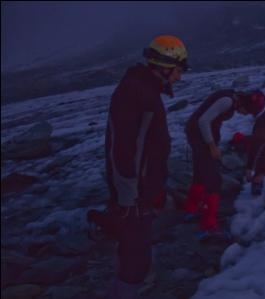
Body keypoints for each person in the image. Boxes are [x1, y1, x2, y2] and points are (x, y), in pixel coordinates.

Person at [89, 35, 188, 298]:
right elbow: (121, 147)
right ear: (165, 67)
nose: (179, 78)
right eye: (178, 71)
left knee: (131, 248)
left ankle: (122, 290)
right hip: (134, 195)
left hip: (139, 192)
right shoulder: (137, 92)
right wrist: (128, 196)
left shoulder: (144, 90)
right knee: (137, 255)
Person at [183, 89, 265, 241]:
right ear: (246, 104)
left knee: (200, 175)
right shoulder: (227, 101)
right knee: (214, 181)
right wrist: (212, 145)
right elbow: (203, 121)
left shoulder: (232, 98)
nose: (246, 114)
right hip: (201, 139)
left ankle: (191, 210)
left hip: (197, 136)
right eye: (248, 111)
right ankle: (208, 227)